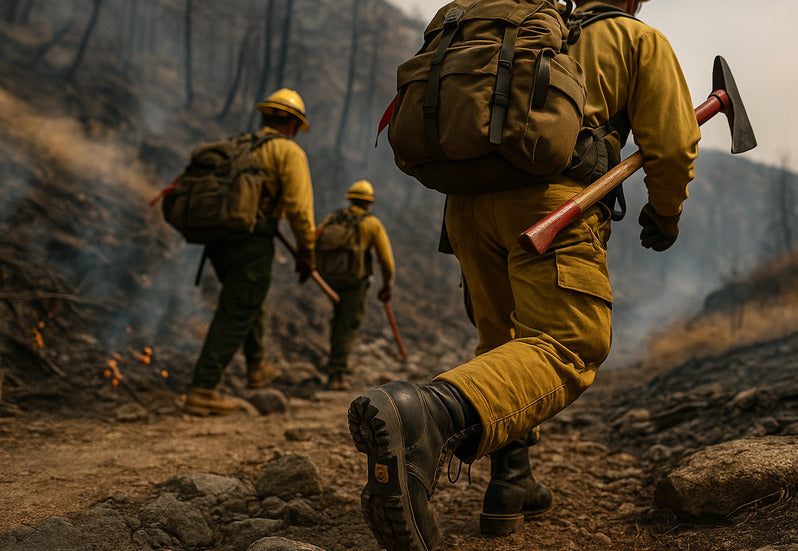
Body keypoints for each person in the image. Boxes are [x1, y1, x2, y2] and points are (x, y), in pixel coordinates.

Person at [347, 0, 700, 548]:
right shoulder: (636, 39)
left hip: (467, 208)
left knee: (503, 343)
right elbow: (672, 144)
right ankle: (428, 416)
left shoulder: (524, 27)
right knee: (569, 342)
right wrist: (666, 212)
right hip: (551, 207)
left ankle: (511, 481)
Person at [181, 88, 317, 416]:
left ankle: (257, 367)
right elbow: (299, 209)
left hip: (219, 242)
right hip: (252, 242)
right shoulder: (288, 151)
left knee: (247, 298)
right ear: (294, 124)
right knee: (238, 307)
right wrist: (307, 251)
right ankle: (203, 388)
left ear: (266, 116)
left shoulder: (242, 144)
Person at [317, 180, 395, 391]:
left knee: (338, 323)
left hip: (331, 280)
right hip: (355, 284)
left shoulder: (333, 218)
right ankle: (337, 376)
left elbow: (316, 238)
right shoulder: (371, 224)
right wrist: (387, 285)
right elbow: (386, 262)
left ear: (350, 199)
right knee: (347, 326)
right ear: (369, 202)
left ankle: (335, 367)